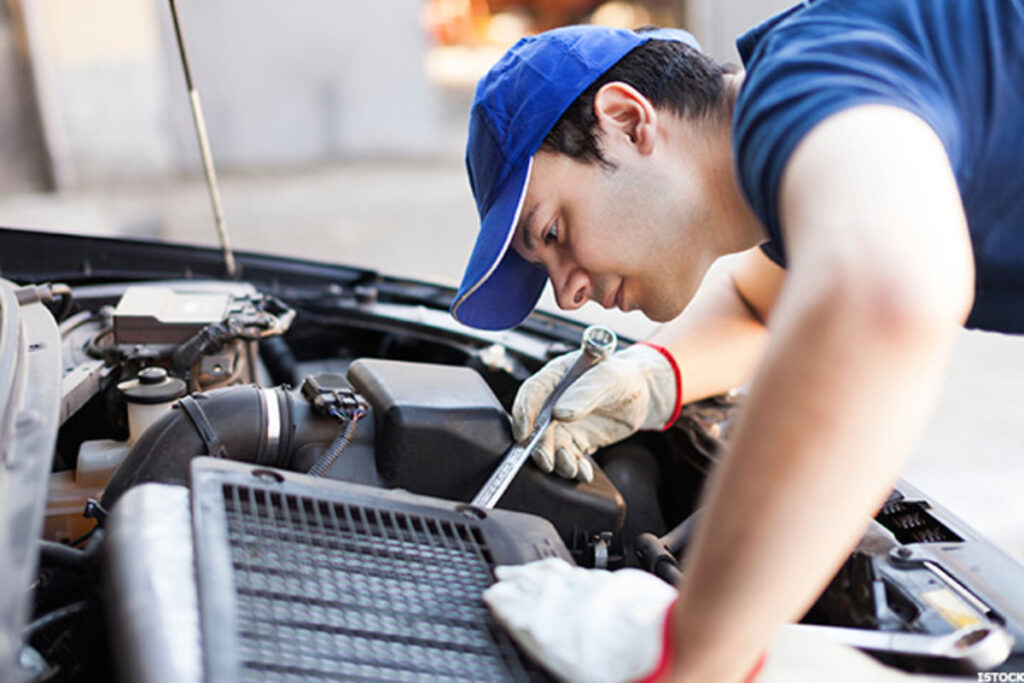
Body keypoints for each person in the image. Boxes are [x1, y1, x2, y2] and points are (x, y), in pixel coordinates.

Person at [450, 1, 1024, 681]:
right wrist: (647, 377)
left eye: (552, 233)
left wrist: (691, 648)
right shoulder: (804, 148)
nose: (568, 292)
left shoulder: (808, 77)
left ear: (629, 121)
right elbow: (761, 306)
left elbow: (885, 293)